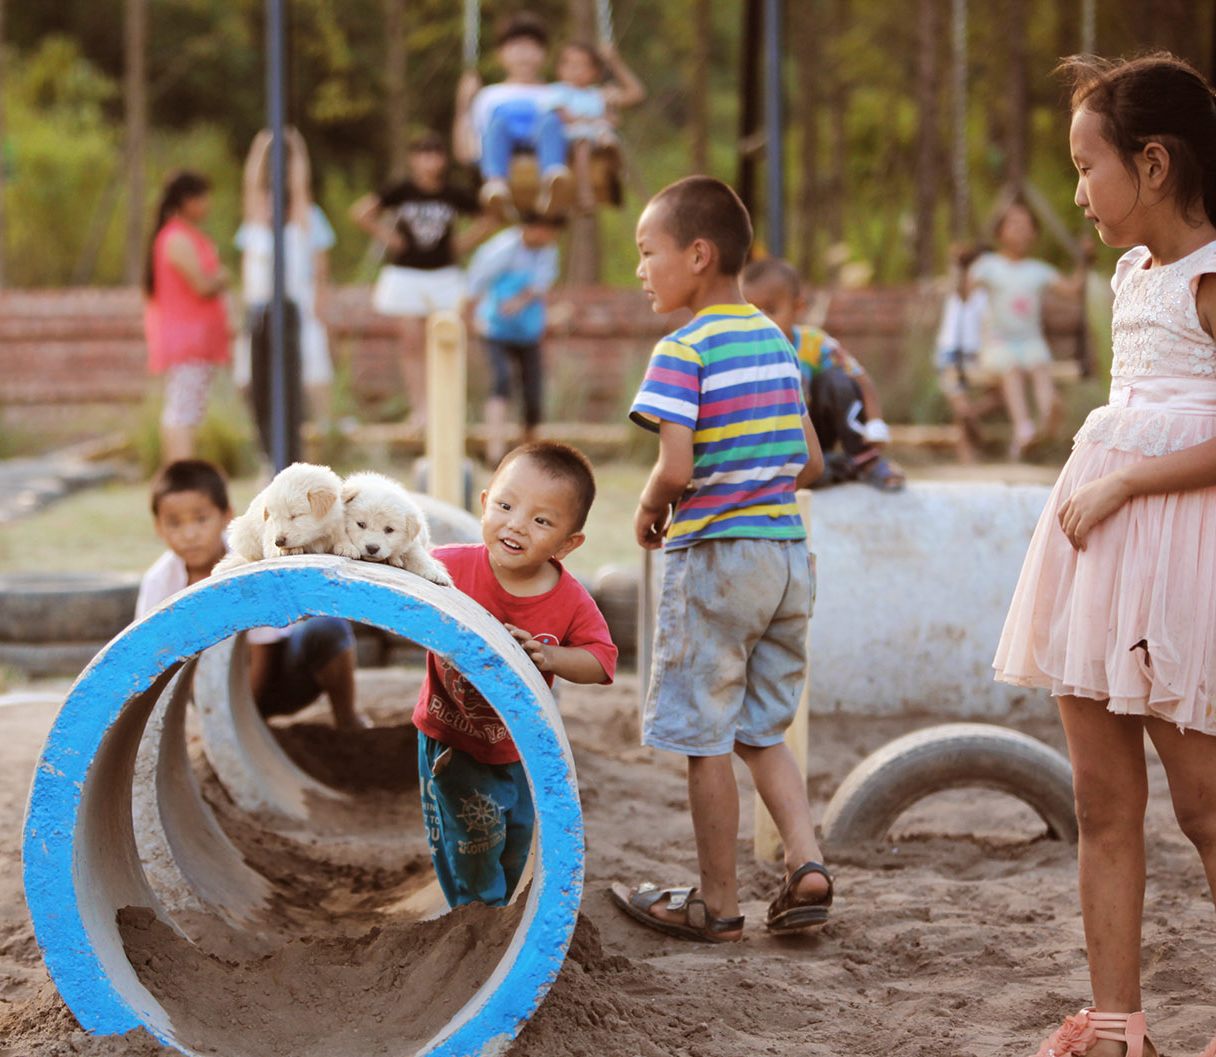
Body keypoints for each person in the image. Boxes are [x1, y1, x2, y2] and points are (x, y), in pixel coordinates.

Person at [996, 53, 1216, 1057]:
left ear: (1152, 160)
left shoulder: (1212, 275)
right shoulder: (1129, 276)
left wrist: (1128, 477)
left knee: (1206, 804)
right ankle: (1115, 1024)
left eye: (1086, 168)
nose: (1077, 192)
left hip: (1181, 549)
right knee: (1101, 799)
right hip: (1101, 553)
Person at [608, 175, 829, 945]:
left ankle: (719, 901)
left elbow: (675, 464)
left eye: (648, 252)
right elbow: (809, 459)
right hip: (786, 558)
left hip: (717, 556)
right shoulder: (776, 339)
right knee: (762, 729)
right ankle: (806, 862)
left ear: (697, 255)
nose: (640, 269)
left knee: (704, 737)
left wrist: (647, 507)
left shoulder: (682, 347)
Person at [414, 442, 617, 907]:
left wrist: (551, 658)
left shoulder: (569, 599)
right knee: (472, 842)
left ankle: (498, 911)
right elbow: (389, 580)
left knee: (516, 838)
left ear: (568, 543)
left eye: (542, 521)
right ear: (485, 503)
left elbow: (602, 659)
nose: (517, 525)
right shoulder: (449, 565)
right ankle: (474, 922)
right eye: (505, 506)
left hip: (519, 748)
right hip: (452, 740)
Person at [135, 460, 369, 730]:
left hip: (275, 676)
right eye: (174, 523)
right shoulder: (159, 581)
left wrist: (242, 716)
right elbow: (148, 652)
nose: (189, 534)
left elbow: (263, 650)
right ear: (158, 527)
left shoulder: (248, 562)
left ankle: (348, 719)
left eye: (201, 519)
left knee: (328, 630)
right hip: (207, 690)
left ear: (226, 516)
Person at [351, 132, 487, 428]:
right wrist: (388, 237)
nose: (429, 161)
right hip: (406, 273)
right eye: (423, 155)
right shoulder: (401, 190)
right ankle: (420, 409)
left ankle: (448, 407)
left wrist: (464, 242)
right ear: (413, 160)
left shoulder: (452, 194)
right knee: (411, 342)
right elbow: (362, 212)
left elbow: (489, 216)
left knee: (447, 339)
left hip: (444, 275)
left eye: (435, 154)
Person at [741, 257, 905, 490]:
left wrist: (876, 422)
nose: (761, 322)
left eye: (772, 310)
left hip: (816, 434)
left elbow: (860, 378)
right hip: (782, 452)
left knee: (837, 379)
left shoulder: (814, 344)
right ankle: (841, 467)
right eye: (750, 313)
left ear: (798, 308)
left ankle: (865, 460)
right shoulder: (743, 353)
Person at [234, 129, 336, 455]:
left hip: (296, 310)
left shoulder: (298, 227)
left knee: (313, 375)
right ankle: (266, 443)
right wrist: (261, 146)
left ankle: (322, 436)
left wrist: (295, 147)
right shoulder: (253, 229)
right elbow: (250, 186)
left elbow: (300, 188)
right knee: (250, 380)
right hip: (258, 312)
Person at [970, 199, 1087, 459]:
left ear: (1034, 234)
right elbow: (965, 293)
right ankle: (1024, 427)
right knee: (1011, 368)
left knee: (1039, 366)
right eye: (1013, 224)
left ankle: (1047, 420)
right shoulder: (989, 265)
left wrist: (1085, 260)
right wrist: (961, 266)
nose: (1020, 231)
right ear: (999, 231)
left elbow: (1071, 290)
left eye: (1026, 226)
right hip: (997, 343)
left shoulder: (1038, 271)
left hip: (1030, 342)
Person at [143, 169, 231, 465]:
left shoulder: (186, 236)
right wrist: (221, 277)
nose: (207, 204)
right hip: (187, 340)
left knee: (188, 407)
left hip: (197, 339)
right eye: (202, 197)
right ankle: (180, 470)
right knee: (182, 409)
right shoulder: (177, 238)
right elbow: (202, 284)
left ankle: (180, 469)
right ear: (187, 200)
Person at [463, 216, 563, 464]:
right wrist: (466, 318)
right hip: (495, 328)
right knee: (502, 380)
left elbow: (542, 284)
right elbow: (475, 282)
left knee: (533, 392)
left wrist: (520, 302)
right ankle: (494, 450)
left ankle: (529, 453)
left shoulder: (548, 251)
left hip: (528, 330)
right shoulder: (501, 249)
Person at [454, 11, 573, 220]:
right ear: (501, 54)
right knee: (497, 125)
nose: (524, 56)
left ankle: (553, 179)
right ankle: (497, 183)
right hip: (504, 146)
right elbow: (466, 152)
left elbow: (576, 127)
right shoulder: (488, 95)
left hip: (541, 145)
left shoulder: (557, 93)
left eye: (532, 48)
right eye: (517, 48)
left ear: (544, 54)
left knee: (551, 121)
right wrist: (464, 104)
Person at [546, 39, 646, 212]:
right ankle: (585, 193)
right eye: (570, 64)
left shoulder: (598, 94)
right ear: (560, 69)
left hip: (597, 136)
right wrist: (598, 120)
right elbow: (566, 117)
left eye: (583, 65)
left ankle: (616, 170)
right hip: (571, 138)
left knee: (609, 135)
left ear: (595, 71)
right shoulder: (557, 90)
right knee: (583, 141)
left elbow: (636, 94)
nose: (576, 70)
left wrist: (615, 62)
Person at [934, 243, 995, 463]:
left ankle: (972, 417)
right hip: (952, 353)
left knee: (993, 397)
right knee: (960, 406)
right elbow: (957, 282)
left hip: (978, 355)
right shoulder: (962, 289)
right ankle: (966, 456)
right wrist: (959, 264)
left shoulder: (990, 294)